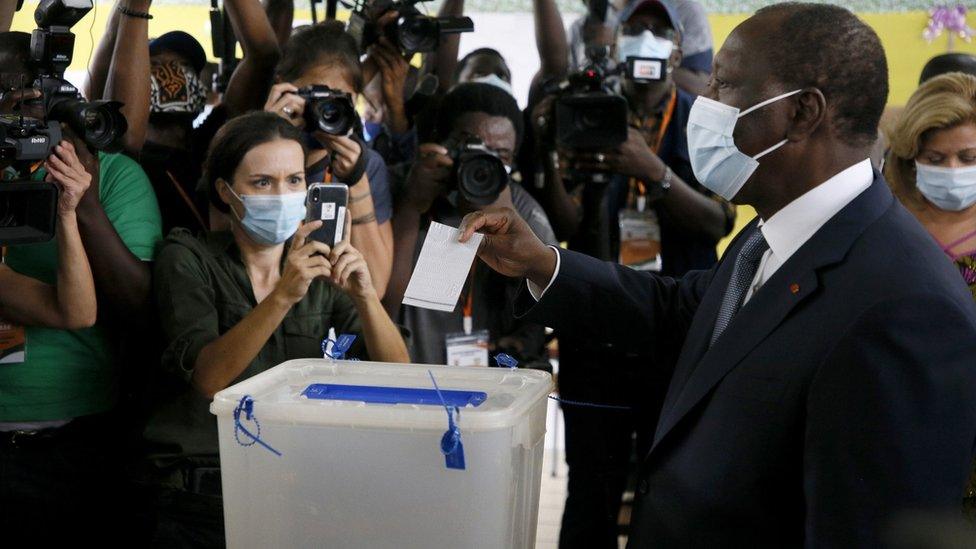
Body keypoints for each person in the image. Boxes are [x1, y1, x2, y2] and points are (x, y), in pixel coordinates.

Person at [458, 3, 976, 547]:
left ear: (801, 113)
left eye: (723, 85)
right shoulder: (774, 232)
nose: (702, 104)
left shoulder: (907, 311)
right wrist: (542, 262)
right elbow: (683, 310)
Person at [144, 111, 409, 545]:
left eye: (294, 180)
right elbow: (210, 378)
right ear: (226, 192)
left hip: (302, 488)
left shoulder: (322, 268)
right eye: (262, 182)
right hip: (204, 493)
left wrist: (365, 297)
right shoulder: (188, 257)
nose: (283, 193)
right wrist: (283, 295)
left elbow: (398, 375)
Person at [530, 2, 734, 545]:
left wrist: (654, 172)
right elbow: (566, 221)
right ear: (616, 44)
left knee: (669, 487)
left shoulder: (703, 119)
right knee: (590, 490)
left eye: (658, 29)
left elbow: (719, 220)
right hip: (596, 330)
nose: (645, 38)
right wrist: (552, 153)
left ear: (676, 48)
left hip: (678, 332)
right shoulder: (589, 109)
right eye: (634, 29)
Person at [0, 30, 164, 543]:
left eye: (39, 94)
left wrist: (79, 202)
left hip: (76, 438)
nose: (28, 109)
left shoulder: (112, 175)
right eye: (12, 95)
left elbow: (126, 310)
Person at [383, 82, 556, 367]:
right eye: (472, 146)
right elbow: (382, 305)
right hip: (407, 371)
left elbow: (544, 313)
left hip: (489, 386)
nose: (484, 162)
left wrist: (506, 216)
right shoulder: (402, 186)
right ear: (442, 140)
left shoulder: (522, 208)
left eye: (500, 156)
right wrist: (410, 208)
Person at [87, 0, 281, 234]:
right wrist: (134, 7)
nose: (173, 75)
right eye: (156, 65)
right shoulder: (116, 146)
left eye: (183, 65)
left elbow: (264, 55)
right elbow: (125, 129)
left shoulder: (215, 140)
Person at [886, 72, 976, 515]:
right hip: (900, 433)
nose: (953, 172)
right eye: (936, 158)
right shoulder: (883, 223)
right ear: (910, 157)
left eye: (969, 156)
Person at [266, 21, 394, 298]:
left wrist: (355, 180)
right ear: (281, 87)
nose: (324, 112)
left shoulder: (366, 165)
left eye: (337, 101)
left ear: (356, 100)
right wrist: (267, 139)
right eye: (314, 96)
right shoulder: (248, 151)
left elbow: (378, 286)